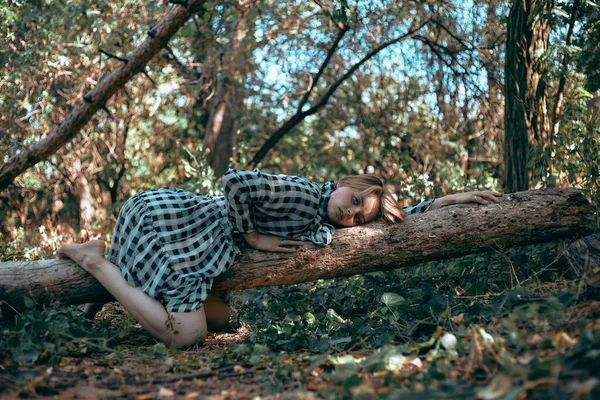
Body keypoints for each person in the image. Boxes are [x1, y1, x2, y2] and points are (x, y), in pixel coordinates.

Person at [57, 168, 501, 348]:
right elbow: (235, 181)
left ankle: (104, 286)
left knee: (225, 317)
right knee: (185, 337)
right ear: (345, 182)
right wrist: (254, 236)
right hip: (178, 228)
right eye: (352, 200)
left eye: (355, 216)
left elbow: (400, 220)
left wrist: (451, 199)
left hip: (196, 243)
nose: (347, 213)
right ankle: (96, 263)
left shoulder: (332, 213)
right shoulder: (306, 193)